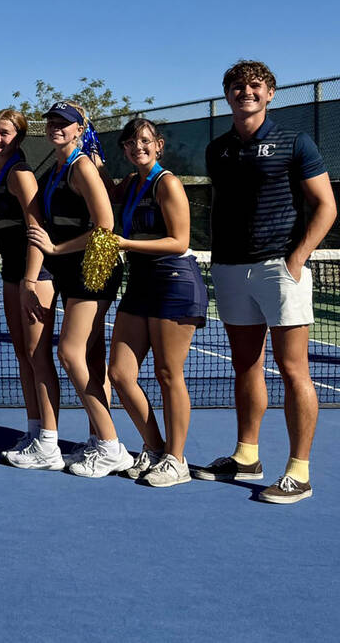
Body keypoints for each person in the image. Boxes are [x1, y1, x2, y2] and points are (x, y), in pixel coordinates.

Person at [192, 60, 336, 504]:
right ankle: (247, 456)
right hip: (231, 269)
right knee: (246, 365)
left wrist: (296, 259)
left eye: (255, 86)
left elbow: (326, 206)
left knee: (294, 370)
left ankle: (299, 471)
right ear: (228, 94)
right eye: (237, 86)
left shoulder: (296, 141)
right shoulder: (218, 150)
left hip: (280, 270)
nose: (245, 92)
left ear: (270, 93)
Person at [23, 102, 131, 477]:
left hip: (93, 269)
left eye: (64, 124)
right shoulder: (57, 168)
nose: (56, 127)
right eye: (52, 121)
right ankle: (98, 440)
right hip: (71, 270)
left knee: (70, 354)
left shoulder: (82, 166)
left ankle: (110, 445)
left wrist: (55, 249)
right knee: (92, 355)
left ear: (79, 129)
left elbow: (105, 226)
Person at [107, 118, 208, 487]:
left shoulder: (168, 183)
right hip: (140, 283)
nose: (139, 148)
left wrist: (126, 244)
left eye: (145, 141)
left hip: (173, 281)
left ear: (159, 145)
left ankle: (176, 460)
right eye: (131, 143)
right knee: (119, 372)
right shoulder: (130, 185)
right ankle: (154, 446)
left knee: (168, 374)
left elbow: (180, 241)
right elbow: (99, 189)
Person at [0, 110, 59, 461]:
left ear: (19, 137)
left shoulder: (21, 174)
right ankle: (34, 431)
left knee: (40, 357)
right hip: (12, 273)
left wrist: (30, 279)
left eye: (5, 133)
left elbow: (37, 229)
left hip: (34, 277)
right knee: (23, 355)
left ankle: (50, 443)